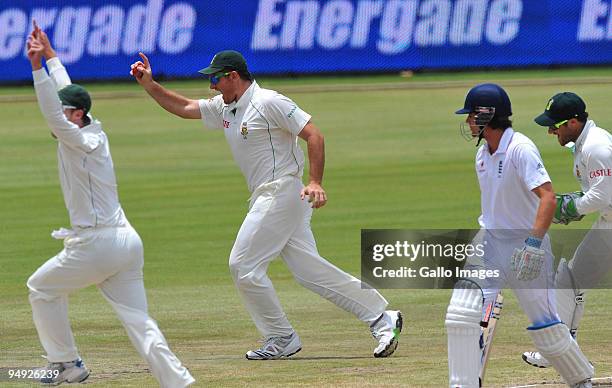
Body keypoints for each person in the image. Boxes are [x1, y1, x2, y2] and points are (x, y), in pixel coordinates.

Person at [129, 50, 402, 359]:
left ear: (234, 76)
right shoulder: (226, 108)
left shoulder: (269, 101)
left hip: (281, 191)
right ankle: (382, 317)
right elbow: (184, 107)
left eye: (216, 79)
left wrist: (315, 181)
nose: (212, 87)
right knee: (308, 271)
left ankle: (281, 336)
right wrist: (149, 84)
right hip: (270, 196)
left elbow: (314, 135)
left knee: (242, 266)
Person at [25, 23, 194, 387]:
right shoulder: (90, 127)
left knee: (41, 288)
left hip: (98, 244)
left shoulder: (77, 139)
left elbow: (53, 112)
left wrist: (36, 67)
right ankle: (179, 382)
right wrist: (52, 57)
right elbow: (66, 93)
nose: (59, 116)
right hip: (125, 243)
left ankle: (67, 363)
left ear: (75, 115)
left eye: (64, 111)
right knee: (140, 323)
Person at [445, 83, 594, 387]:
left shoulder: (520, 149)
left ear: (488, 115)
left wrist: (533, 245)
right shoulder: (482, 155)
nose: (467, 121)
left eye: (471, 114)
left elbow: (548, 198)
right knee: (461, 315)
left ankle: (582, 380)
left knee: (547, 328)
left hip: (524, 246)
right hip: (489, 242)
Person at [521, 92, 612, 368]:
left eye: (555, 125)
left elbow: (604, 194)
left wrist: (570, 208)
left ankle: (560, 350)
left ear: (573, 122)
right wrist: (575, 202)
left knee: (570, 279)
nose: (551, 131)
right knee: (571, 278)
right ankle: (562, 349)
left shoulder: (596, 147)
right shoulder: (586, 144)